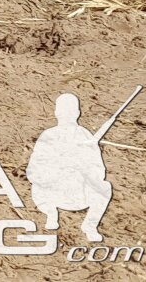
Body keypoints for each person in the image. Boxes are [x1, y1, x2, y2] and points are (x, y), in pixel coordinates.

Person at [27, 92, 113, 243]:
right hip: (51, 192)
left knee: (104, 188)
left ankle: (90, 226)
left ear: (77, 113)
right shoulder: (48, 135)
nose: (67, 114)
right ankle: (51, 213)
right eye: (63, 111)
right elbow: (34, 168)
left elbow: (98, 169)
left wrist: (81, 168)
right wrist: (56, 170)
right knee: (37, 185)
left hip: (78, 193)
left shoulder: (85, 136)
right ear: (56, 113)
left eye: (70, 111)